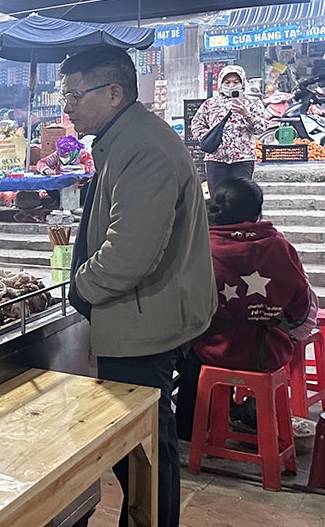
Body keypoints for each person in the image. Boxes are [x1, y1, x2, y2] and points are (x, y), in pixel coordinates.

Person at [60, 46, 216, 527]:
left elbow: (130, 253)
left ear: (113, 93)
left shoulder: (141, 146)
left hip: (144, 318)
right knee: (140, 446)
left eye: (73, 95)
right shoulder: (122, 138)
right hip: (140, 312)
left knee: (145, 448)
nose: (66, 107)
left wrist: (82, 289)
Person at [174, 177, 317, 439]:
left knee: (183, 353)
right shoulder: (280, 246)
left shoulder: (199, 247)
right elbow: (301, 308)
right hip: (269, 351)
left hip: (212, 350)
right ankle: (233, 411)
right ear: (257, 212)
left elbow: (184, 306)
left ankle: (190, 428)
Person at [189, 65, 268, 194]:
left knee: (241, 198)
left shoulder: (253, 103)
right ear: (220, 83)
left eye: (236, 82)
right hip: (216, 159)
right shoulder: (210, 104)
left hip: (243, 159)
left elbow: (262, 127)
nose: (231, 85)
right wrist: (210, 138)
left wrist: (246, 114)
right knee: (217, 198)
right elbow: (196, 124)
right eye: (227, 82)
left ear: (242, 83)